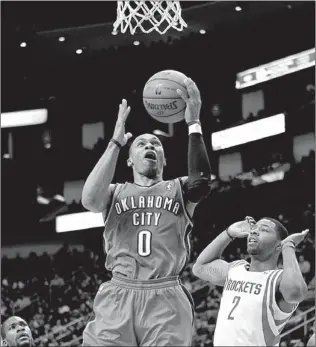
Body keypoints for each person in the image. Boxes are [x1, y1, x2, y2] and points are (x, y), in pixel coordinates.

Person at [81, 78, 211, 346]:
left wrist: (193, 123)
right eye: (141, 144)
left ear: (164, 159)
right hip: (119, 293)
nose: (150, 146)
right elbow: (89, 201)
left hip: (165, 296)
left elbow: (201, 182)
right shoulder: (114, 192)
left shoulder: (179, 189)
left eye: (156, 144)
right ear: (129, 159)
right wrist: (115, 143)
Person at [193, 217, 308, 346]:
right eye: (254, 228)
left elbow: (296, 294)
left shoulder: (278, 279)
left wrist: (288, 246)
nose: (254, 232)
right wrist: (228, 233)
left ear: (278, 246)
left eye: (264, 230)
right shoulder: (236, 268)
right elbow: (199, 268)